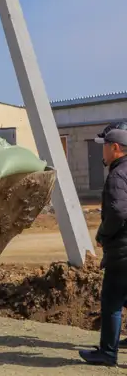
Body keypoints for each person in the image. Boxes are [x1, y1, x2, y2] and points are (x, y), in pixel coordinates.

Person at [80, 121, 127, 366]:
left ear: (115, 148)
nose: (103, 150)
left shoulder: (118, 176)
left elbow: (118, 211)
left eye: (105, 146)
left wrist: (103, 234)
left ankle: (107, 353)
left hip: (123, 250)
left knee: (111, 301)